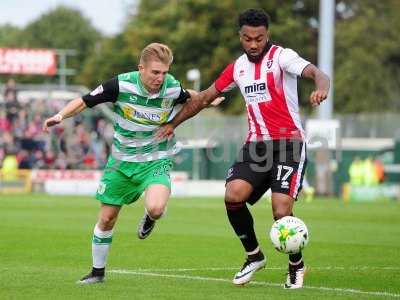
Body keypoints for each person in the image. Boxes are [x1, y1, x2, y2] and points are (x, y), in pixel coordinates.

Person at [156, 9, 330, 289]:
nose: (253, 44)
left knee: (281, 210)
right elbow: (203, 98)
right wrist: (172, 124)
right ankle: (254, 256)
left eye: (259, 38)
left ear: (267, 36)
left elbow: (316, 73)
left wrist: (322, 88)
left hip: (289, 144)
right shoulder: (237, 67)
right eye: (248, 38)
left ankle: (296, 265)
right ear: (241, 37)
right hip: (256, 146)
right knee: (232, 195)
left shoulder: (282, 57)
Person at [43, 42, 222, 284]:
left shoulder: (170, 87)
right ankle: (97, 273)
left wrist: (207, 99)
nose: (160, 78)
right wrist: (60, 116)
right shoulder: (119, 85)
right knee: (106, 219)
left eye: (165, 72)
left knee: (157, 208)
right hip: (121, 161)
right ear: (141, 68)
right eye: (155, 72)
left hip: (156, 158)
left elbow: (187, 95)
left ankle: (150, 216)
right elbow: (85, 100)